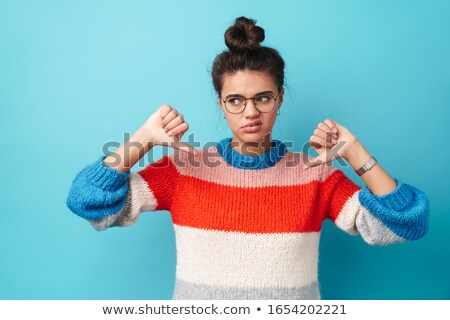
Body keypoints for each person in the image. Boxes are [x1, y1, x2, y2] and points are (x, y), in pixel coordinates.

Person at [66, 16, 430, 300]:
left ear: (280, 99)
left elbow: (404, 226)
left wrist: (355, 152)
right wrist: (144, 139)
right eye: (236, 100)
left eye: (263, 98)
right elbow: (89, 203)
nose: (250, 112)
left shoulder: (313, 174)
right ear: (222, 104)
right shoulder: (184, 169)